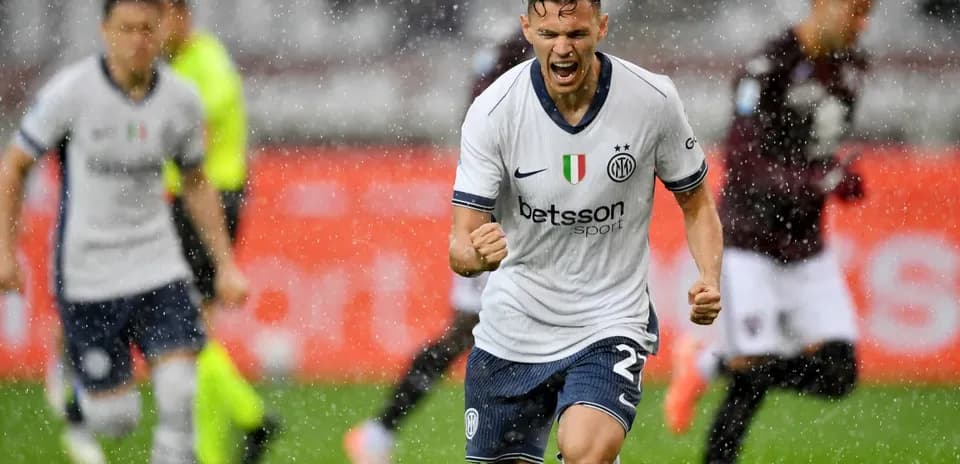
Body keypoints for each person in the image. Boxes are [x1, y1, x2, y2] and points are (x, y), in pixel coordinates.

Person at [450, 1, 724, 463]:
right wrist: (476, 254)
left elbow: (696, 202)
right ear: (527, 30)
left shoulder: (651, 100)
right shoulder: (493, 111)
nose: (562, 49)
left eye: (576, 34)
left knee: (586, 452)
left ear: (601, 28)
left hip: (610, 317)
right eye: (549, 34)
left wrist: (710, 278)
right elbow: (460, 244)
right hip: (515, 323)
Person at [0, 1, 248, 463]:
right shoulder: (70, 93)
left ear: (162, 32)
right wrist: (4, 251)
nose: (137, 40)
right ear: (105, 31)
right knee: (116, 421)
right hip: (88, 270)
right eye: (126, 29)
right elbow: (14, 165)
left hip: (156, 263)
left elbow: (195, 180)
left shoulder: (182, 99)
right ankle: (75, 367)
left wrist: (226, 265)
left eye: (147, 29)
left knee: (178, 392)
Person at [664, 0, 873, 462]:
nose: (863, 23)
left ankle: (706, 362)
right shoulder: (769, 65)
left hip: (807, 247)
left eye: (868, 12)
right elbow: (742, 162)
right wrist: (815, 180)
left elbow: (819, 146)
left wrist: (840, 173)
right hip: (750, 242)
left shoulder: (852, 66)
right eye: (855, 11)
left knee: (839, 375)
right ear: (821, 5)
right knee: (751, 376)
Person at [344, 30, 531, 464]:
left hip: (507, 207)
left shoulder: (511, 52)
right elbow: (482, 131)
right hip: (501, 211)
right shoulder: (517, 55)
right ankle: (383, 430)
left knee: (477, 331)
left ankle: (381, 430)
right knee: (477, 330)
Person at [158, 1, 279, 463]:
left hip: (206, 205)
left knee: (182, 330)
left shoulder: (208, 65)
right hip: (197, 203)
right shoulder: (185, 63)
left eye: (159, 17)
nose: (151, 30)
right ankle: (234, 429)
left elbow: (192, 136)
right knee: (192, 332)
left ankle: (247, 417)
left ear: (181, 15)